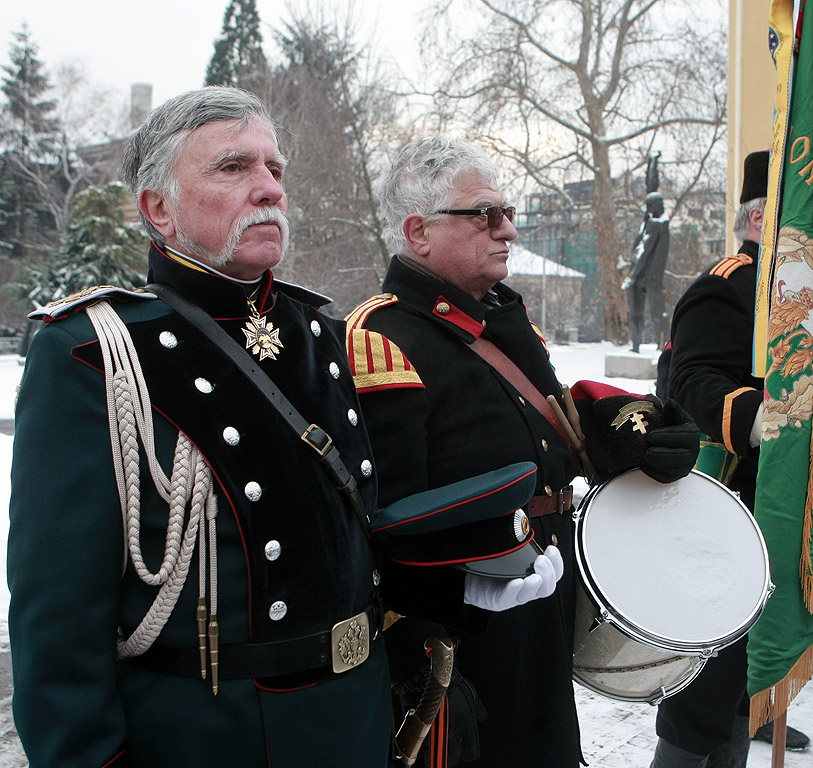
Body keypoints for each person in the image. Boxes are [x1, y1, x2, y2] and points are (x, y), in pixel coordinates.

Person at [7, 86, 396, 767]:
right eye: (233, 168)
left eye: (276, 170)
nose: (268, 189)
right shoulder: (93, 352)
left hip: (351, 719)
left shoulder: (316, 332)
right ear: (159, 208)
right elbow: (58, 617)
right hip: (210, 734)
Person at [345, 135, 701, 767]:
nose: (506, 229)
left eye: (506, 213)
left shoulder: (507, 323)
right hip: (461, 634)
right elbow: (386, 524)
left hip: (544, 599)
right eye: (484, 215)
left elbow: (552, 439)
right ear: (418, 232)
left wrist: (634, 437)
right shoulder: (383, 336)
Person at [652, 150, 808, 767]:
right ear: (762, 217)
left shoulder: (796, 293)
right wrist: (771, 416)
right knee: (708, 683)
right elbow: (690, 381)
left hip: (774, 504)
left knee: (746, 677)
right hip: (727, 504)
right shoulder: (728, 285)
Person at [622, 183, 671, 353]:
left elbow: (643, 251)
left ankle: (663, 345)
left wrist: (631, 276)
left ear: (657, 206)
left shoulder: (658, 224)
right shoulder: (651, 222)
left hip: (650, 277)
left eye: (650, 205)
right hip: (643, 276)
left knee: (657, 313)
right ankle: (638, 345)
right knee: (640, 313)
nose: (647, 208)